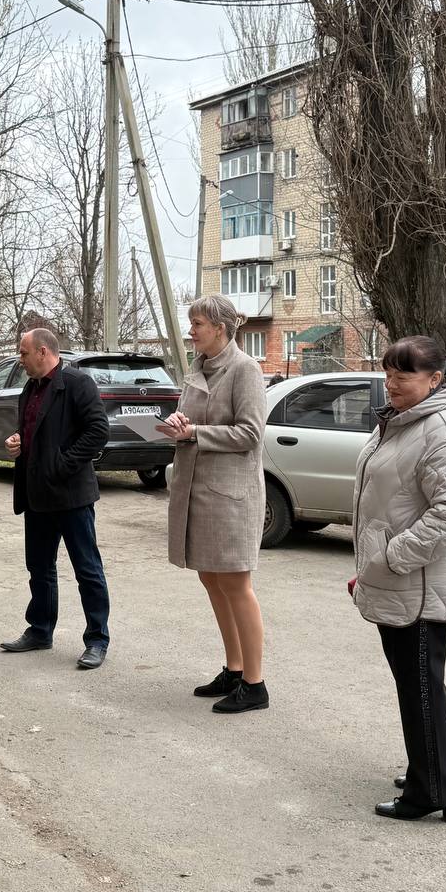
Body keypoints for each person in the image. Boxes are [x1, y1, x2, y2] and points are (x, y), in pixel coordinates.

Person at [352, 336, 446, 823]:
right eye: (388, 373)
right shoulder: (404, 420)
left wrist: (393, 557)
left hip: (417, 581)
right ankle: (445, 764)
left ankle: (432, 792)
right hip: (396, 576)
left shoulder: (442, 427)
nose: (391, 383)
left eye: (403, 375)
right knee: (422, 680)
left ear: (435, 379)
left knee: (418, 685)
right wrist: (371, 567)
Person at [160, 295, 269, 713]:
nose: (191, 331)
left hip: (230, 494)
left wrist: (195, 433)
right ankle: (235, 668)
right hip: (197, 489)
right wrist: (178, 423)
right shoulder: (198, 367)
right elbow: (191, 419)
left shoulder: (245, 369)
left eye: (198, 324)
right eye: (191, 323)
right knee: (210, 578)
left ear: (220, 328)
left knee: (236, 584)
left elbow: (250, 433)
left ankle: (255, 684)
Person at [0, 328, 111, 670]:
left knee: (87, 570)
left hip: (71, 495)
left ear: (43, 351)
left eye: (23, 353)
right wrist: (18, 441)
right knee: (39, 568)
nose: (20, 359)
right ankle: (40, 630)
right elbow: (36, 431)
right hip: (36, 495)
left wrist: (61, 464)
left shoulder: (77, 383)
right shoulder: (30, 389)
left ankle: (97, 640)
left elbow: (98, 431)